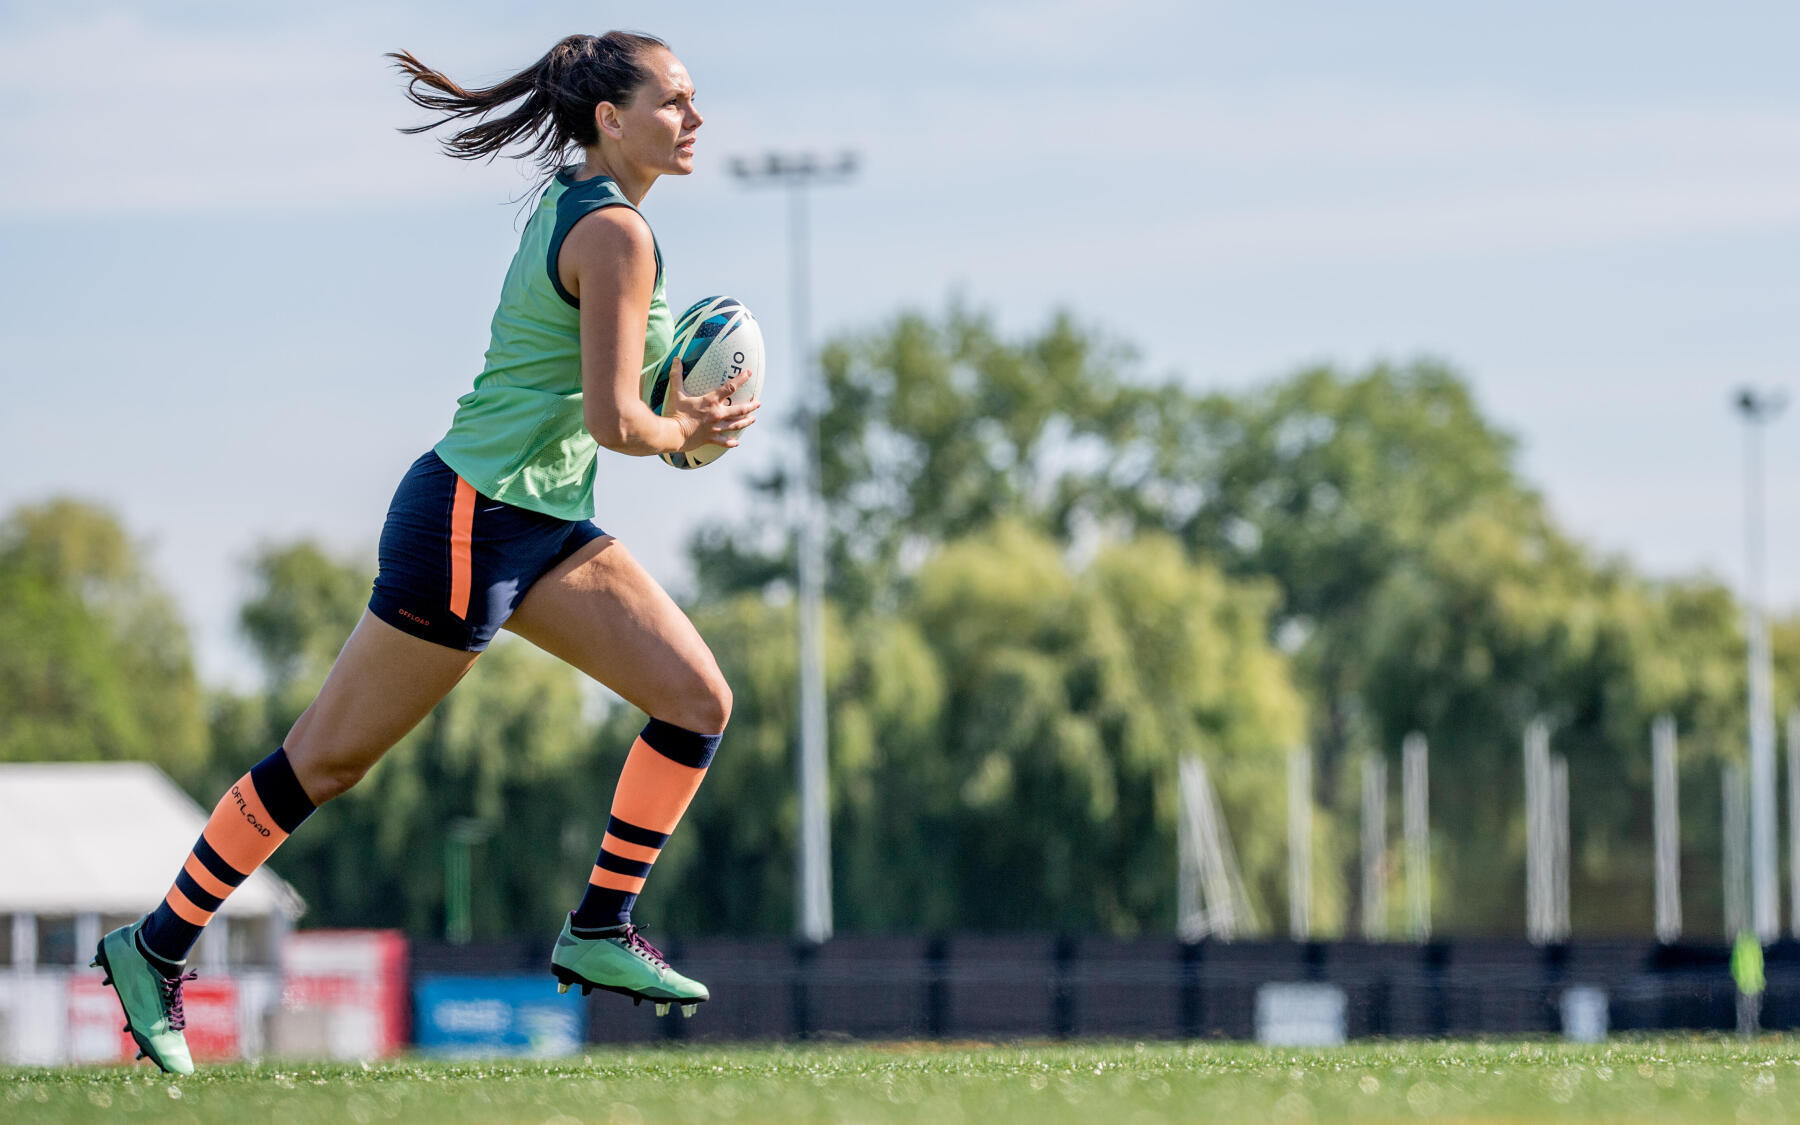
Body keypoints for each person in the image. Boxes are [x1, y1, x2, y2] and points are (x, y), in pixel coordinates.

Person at [92, 31, 757, 1075]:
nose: (697, 117)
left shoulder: (596, 211)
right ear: (610, 120)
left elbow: (616, 403)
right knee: (328, 760)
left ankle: (596, 928)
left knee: (696, 700)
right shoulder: (616, 233)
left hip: (537, 520)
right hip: (472, 521)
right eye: (675, 100)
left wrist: (674, 413)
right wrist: (687, 432)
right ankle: (155, 947)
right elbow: (619, 421)